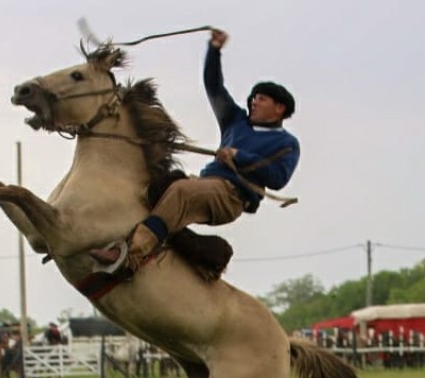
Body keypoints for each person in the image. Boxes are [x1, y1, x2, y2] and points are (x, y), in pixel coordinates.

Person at [92, 28, 300, 272]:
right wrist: (214, 50)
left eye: (262, 98)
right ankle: (206, 253)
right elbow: (214, 86)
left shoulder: (287, 143)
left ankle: (130, 255)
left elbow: (278, 179)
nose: (254, 100)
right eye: (253, 97)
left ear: (280, 108)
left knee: (181, 191)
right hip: (207, 182)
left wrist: (238, 156)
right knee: (156, 188)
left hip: (232, 196)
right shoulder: (235, 120)